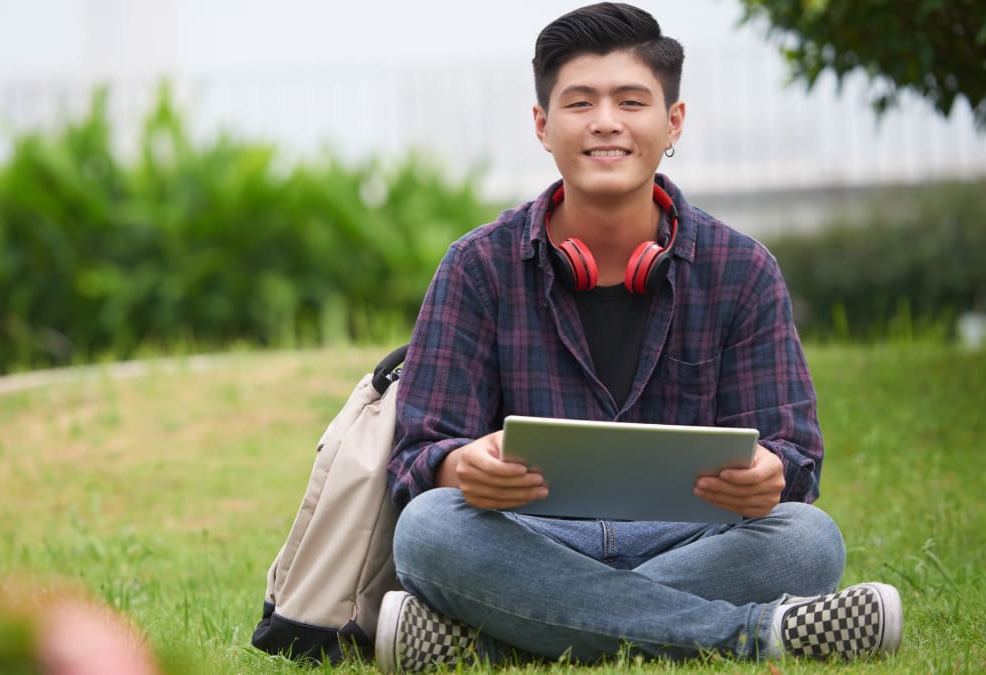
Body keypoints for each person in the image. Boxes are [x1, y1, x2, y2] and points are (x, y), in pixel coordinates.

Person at [375, 3, 902, 671]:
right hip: (530, 536)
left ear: (673, 121)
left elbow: (792, 460)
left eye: (631, 100)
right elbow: (419, 457)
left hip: (690, 536)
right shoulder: (478, 266)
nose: (606, 122)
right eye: (580, 102)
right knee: (427, 531)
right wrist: (459, 465)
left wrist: (770, 474)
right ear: (542, 125)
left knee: (807, 540)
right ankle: (754, 633)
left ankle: (496, 639)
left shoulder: (742, 270)